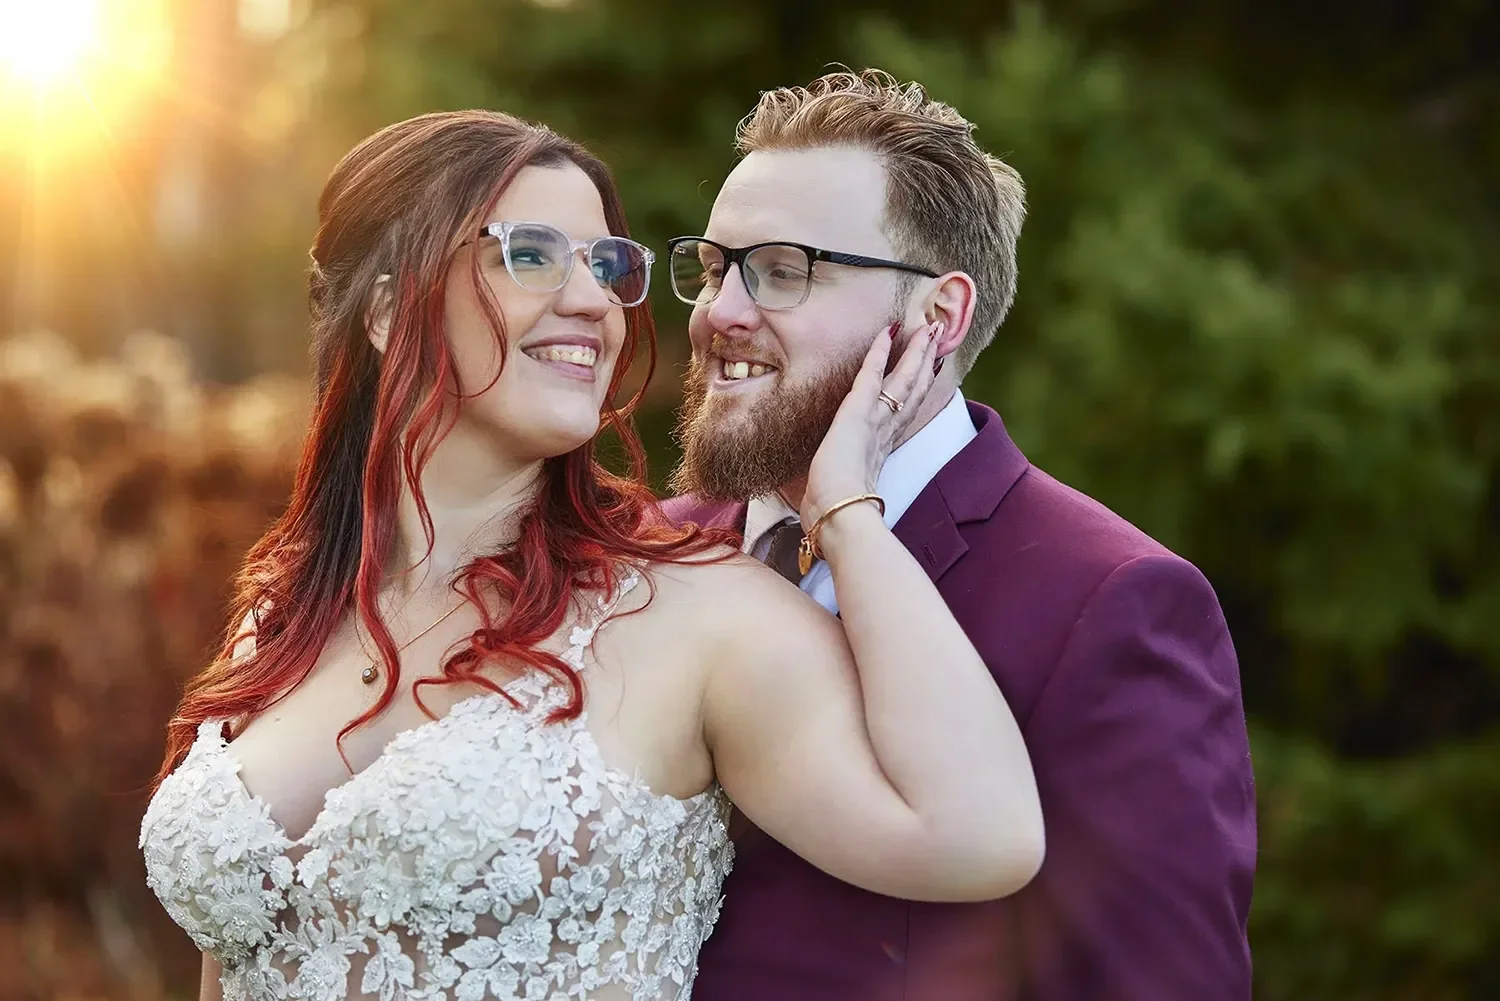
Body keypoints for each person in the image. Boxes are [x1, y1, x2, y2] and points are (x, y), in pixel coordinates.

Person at [138, 109, 1043, 1001]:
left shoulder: (694, 612)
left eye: (607, 266)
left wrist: (846, 508)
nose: (592, 301)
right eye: (530, 254)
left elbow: (980, 832)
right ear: (385, 308)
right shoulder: (287, 608)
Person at [662, 70, 1257, 1001]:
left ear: (936, 316)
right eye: (713, 267)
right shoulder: (646, 553)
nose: (721, 312)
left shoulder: (1109, 602)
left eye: (783, 269)